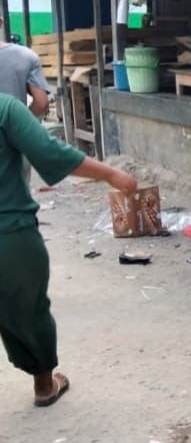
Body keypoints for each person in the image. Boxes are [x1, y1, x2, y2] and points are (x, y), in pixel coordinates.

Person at [0, 93, 137, 408]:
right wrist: (110, 173)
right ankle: (45, 384)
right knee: (28, 307)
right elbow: (48, 151)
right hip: (9, 234)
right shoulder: (6, 109)